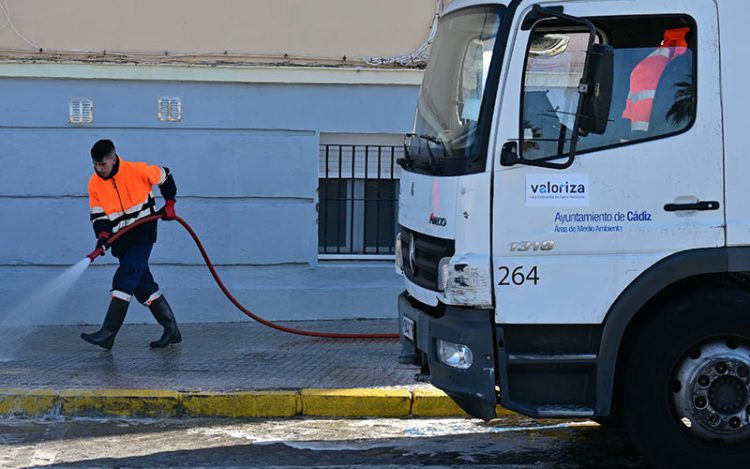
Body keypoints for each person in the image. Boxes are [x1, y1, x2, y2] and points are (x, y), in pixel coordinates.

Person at [81, 139, 181, 350]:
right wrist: (102, 237)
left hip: (144, 232)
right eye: (96, 165)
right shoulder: (94, 183)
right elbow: (98, 216)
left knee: (124, 278)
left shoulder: (137, 171)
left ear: (113, 158)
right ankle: (171, 329)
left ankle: (108, 333)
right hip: (121, 239)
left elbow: (166, 175)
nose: (100, 169)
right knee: (143, 287)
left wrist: (169, 202)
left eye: (103, 165)